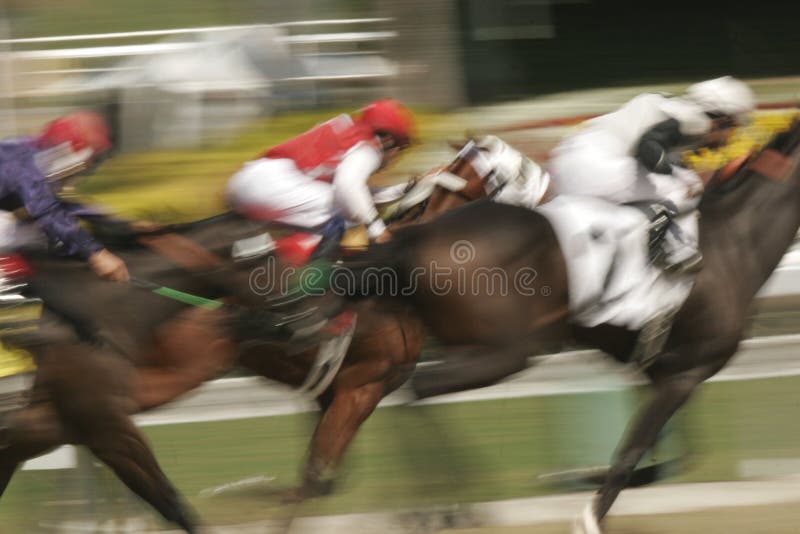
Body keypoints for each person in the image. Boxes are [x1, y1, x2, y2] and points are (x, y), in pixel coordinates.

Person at [547, 76, 756, 273]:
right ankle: (672, 250)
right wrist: (671, 176)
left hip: (564, 163)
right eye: (735, 127)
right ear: (723, 120)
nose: (731, 138)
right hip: (591, 167)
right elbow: (649, 146)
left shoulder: (673, 109)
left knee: (679, 178)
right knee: (687, 186)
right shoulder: (697, 121)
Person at [226, 99, 416, 249]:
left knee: (351, 205)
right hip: (271, 184)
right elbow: (347, 188)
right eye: (400, 148)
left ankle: (260, 250)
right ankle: (308, 286)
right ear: (389, 139)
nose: (396, 157)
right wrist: (377, 231)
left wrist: (409, 188)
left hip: (248, 178)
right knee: (349, 211)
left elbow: (361, 194)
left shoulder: (350, 130)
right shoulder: (370, 147)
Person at [0, 111, 129, 284]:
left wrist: (116, 221)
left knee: (29, 234)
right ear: (69, 150)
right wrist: (95, 252)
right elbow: (46, 211)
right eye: (90, 160)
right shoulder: (27, 166)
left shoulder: (34, 154)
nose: (88, 168)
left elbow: (57, 205)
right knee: (14, 233)